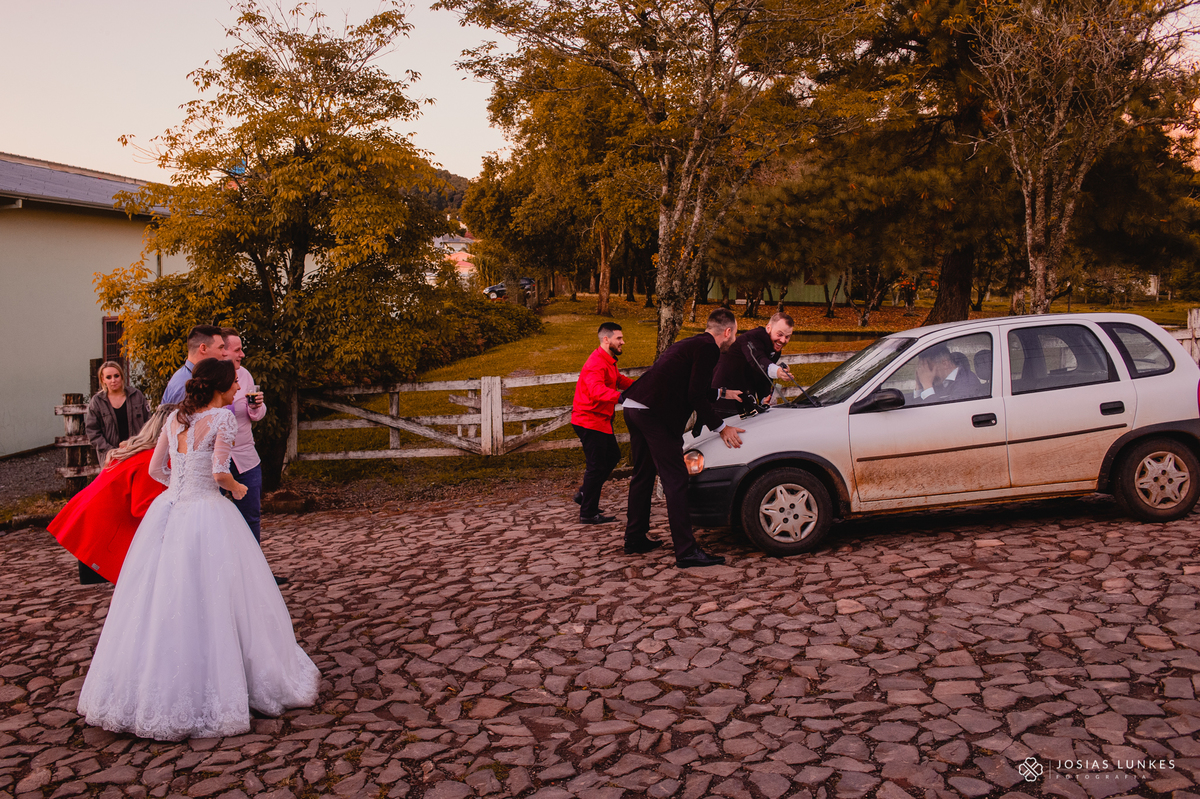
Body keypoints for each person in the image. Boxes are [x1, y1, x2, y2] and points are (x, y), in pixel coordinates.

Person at [77, 358, 319, 740]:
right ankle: (226, 683)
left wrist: (180, 485)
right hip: (208, 510)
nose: (239, 389)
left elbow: (157, 469)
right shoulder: (221, 419)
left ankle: (141, 691)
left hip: (171, 509)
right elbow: (221, 471)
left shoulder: (174, 419)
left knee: (161, 598)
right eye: (235, 383)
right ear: (220, 387)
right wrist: (235, 489)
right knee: (221, 594)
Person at [620, 308, 746, 568]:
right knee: (675, 478)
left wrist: (723, 392)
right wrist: (722, 427)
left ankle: (634, 538)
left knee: (642, 474)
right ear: (728, 331)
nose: (734, 338)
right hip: (653, 413)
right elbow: (694, 396)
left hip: (634, 405)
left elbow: (691, 387)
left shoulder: (692, 343)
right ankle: (686, 551)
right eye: (735, 333)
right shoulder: (709, 349)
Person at [50, 405, 176, 585]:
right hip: (104, 530)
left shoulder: (136, 451)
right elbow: (144, 508)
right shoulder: (152, 461)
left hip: (93, 521)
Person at [571, 322, 635, 524]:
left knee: (612, 457)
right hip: (588, 420)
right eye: (619, 338)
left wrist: (641, 386)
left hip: (600, 420)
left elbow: (619, 380)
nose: (623, 341)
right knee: (596, 466)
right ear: (606, 339)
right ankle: (588, 512)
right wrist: (622, 398)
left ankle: (584, 495)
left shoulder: (609, 361)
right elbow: (596, 391)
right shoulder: (596, 363)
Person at [712, 312, 795, 417]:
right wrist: (778, 371)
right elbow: (758, 361)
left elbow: (762, 375)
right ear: (769, 328)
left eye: (787, 337)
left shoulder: (774, 348)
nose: (783, 340)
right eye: (780, 334)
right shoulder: (753, 338)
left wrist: (764, 398)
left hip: (744, 398)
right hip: (723, 397)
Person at [84, 361, 152, 464]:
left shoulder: (136, 395)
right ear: (103, 379)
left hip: (137, 454)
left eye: (116, 376)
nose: (113, 380)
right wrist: (110, 451)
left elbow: (149, 424)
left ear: (122, 376)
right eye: (108, 377)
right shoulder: (97, 402)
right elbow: (92, 432)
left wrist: (139, 445)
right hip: (111, 458)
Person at [162, 325, 227, 405]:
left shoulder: (194, 379)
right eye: (221, 348)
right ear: (203, 348)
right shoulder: (185, 385)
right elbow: (182, 417)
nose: (225, 353)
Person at [912, 343, 984, 403]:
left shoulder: (967, 384)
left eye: (928, 368)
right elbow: (919, 411)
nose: (925, 374)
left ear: (945, 364)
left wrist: (927, 386)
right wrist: (919, 386)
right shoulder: (941, 381)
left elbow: (942, 415)